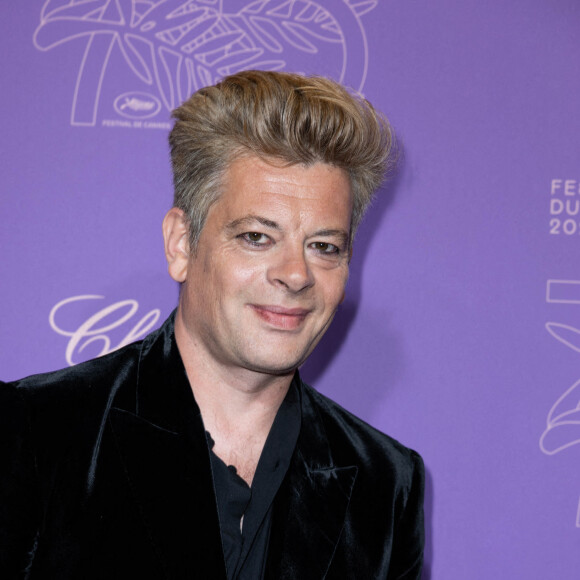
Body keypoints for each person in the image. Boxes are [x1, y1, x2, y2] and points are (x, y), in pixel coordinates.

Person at [0, 71, 424, 579]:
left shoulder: (385, 484)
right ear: (181, 244)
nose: (295, 274)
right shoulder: (37, 432)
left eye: (325, 247)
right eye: (256, 237)